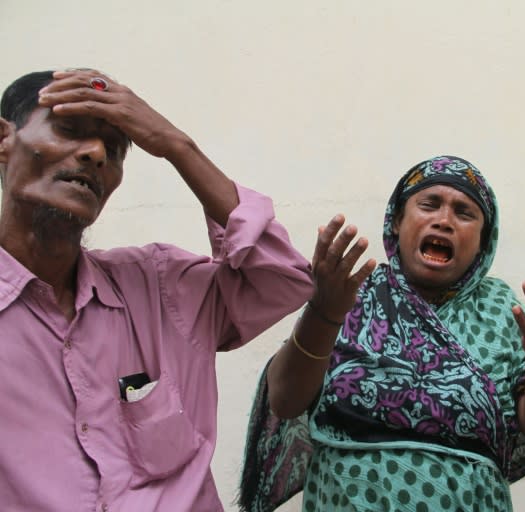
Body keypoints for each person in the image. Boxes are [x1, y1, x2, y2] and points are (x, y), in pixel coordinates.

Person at [0, 69, 318, 511]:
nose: (94, 154)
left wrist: (175, 145)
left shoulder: (159, 286)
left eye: (112, 151)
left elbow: (282, 277)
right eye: (69, 130)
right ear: (4, 140)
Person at [238, 155, 525, 512]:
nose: (444, 220)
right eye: (429, 204)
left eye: (464, 213)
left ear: (483, 243)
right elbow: (284, 399)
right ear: (397, 223)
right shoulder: (351, 292)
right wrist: (323, 313)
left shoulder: (501, 311)